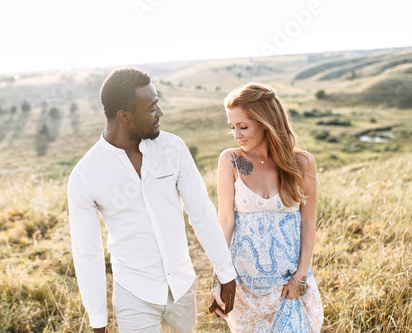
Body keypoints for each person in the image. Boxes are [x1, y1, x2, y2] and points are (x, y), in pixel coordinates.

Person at [67, 67, 237, 332]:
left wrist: (226, 273)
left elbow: (202, 214)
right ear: (124, 116)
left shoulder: (173, 149)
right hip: (134, 294)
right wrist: (97, 322)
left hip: (182, 288)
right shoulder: (85, 175)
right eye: (152, 107)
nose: (160, 113)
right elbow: (87, 252)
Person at [211, 82, 324, 332]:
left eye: (243, 126)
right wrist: (219, 277)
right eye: (232, 127)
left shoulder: (301, 163)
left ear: (264, 122)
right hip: (244, 288)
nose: (236, 134)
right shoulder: (230, 160)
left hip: (288, 286)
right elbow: (226, 221)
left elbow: (308, 221)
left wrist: (300, 278)